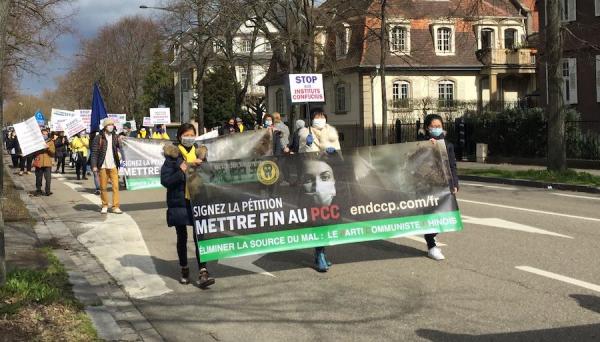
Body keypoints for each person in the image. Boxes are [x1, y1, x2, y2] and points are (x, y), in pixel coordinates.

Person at [160, 123, 215, 288]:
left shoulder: (201, 153)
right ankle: (184, 268)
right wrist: (181, 170)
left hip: (198, 200)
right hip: (179, 202)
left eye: (192, 135)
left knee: (200, 237)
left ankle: (203, 271)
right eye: (186, 135)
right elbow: (165, 181)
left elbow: (212, 174)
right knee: (182, 237)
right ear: (179, 137)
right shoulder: (172, 157)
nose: (189, 138)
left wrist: (202, 165)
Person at [297, 109, 341, 272]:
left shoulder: (332, 134)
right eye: (316, 117)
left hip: (327, 185)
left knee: (326, 223)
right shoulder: (304, 133)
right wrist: (306, 145)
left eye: (322, 117)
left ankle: (321, 252)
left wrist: (334, 153)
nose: (319, 120)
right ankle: (319, 254)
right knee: (317, 221)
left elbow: (341, 160)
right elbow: (299, 158)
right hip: (312, 185)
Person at [418, 113, 459, 261]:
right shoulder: (421, 143)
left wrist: (455, 183)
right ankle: (431, 245)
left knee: (442, 216)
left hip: (443, 185)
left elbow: (452, 165)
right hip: (426, 186)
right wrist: (427, 146)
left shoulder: (448, 145)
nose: (436, 129)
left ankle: (432, 241)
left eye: (438, 126)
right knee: (431, 215)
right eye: (433, 126)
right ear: (426, 128)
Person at [90, 119, 123, 214]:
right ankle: (104, 205)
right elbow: (94, 153)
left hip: (113, 165)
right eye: (109, 125)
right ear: (105, 126)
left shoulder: (115, 137)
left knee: (115, 187)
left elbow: (121, 146)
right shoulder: (98, 138)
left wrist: (122, 140)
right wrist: (94, 165)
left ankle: (116, 206)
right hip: (103, 166)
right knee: (103, 187)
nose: (111, 126)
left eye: (112, 125)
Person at [33, 128, 55, 196]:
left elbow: (53, 152)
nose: (44, 134)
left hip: (47, 162)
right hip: (39, 161)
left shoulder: (51, 141)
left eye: (45, 133)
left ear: (47, 133)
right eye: (43, 133)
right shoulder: (37, 141)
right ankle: (38, 190)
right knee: (38, 177)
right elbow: (34, 151)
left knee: (48, 178)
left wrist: (48, 147)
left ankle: (47, 191)